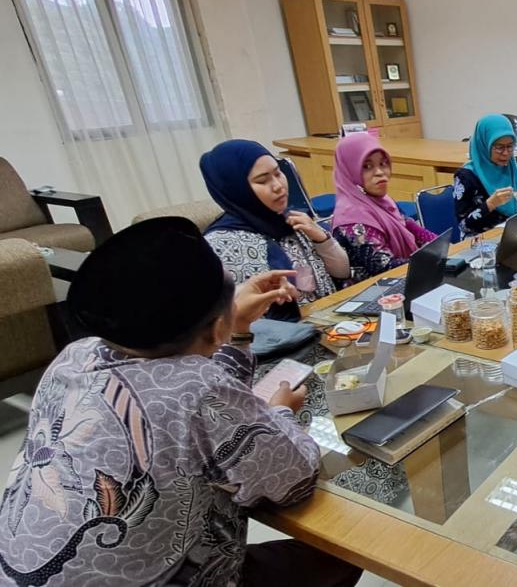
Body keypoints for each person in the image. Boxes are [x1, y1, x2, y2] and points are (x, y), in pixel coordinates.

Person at [0, 217, 362, 586]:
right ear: (215, 327)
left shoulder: (76, 354)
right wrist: (281, 411)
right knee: (343, 550)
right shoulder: (197, 388)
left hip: (35, 574)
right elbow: (294, 480)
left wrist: (234, 330)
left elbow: (194, 400)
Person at [201, 139, 350, 320]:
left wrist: (322, 239)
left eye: (278, 173)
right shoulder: (220, 246)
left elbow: (342, 272)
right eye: (263, 180)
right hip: (281, 342)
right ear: (237, 189)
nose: (278, 186)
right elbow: (227, 324)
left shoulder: (292, 219)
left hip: (330, 324)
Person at [331, 132, 438, 281]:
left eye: (383, 163)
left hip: (404, 280)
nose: (380, 173)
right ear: (349, 170)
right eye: (367, 166)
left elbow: (409, 226)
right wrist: (432, 259)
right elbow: (384, 266)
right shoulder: (352, 219)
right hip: (373, 293)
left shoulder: (381, 200)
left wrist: (440, 246)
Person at [454, 114, 517, 236]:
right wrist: (490, 204)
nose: (506, 153)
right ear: (484, 145)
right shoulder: (467, 176)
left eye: (510, 146)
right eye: (499, 147)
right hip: (481, 241)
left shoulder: (514, 167)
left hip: (513, 234)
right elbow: (464, 226)